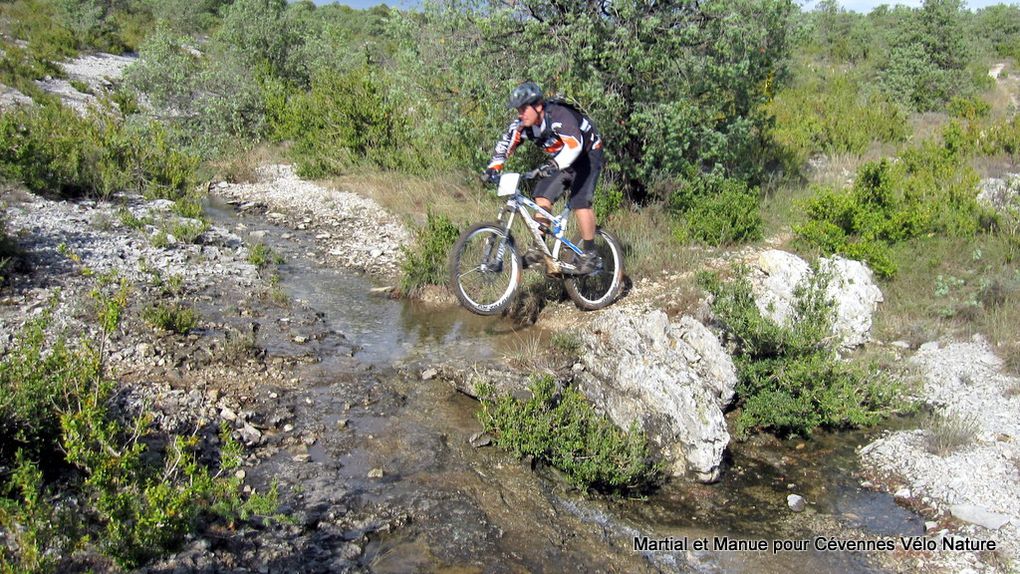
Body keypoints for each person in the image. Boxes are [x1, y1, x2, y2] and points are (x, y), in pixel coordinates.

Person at [482, 81, 604, 274]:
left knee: (580, 201)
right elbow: (505, 143)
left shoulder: (559, 115)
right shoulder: (523, 126)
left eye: (523, 109)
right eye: (518, 110)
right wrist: (493, 168)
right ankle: (539, 248)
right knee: (541, 195)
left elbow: (574, 145)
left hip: (588, 154)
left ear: (538, 106)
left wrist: (553, 165)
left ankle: (590, 254)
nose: (520, 114)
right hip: (564, 159)